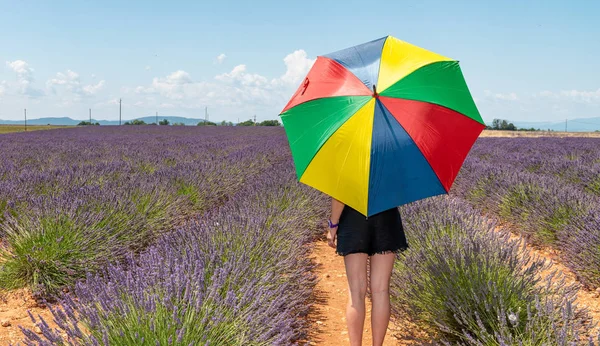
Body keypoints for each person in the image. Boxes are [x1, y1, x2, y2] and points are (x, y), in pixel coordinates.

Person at [326, 197, 408, 346]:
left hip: (353, 217)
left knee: (356, 291)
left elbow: (340, 194)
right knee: (381, 290)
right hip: (386, 216)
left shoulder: (349, 171)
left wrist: (333, 224)